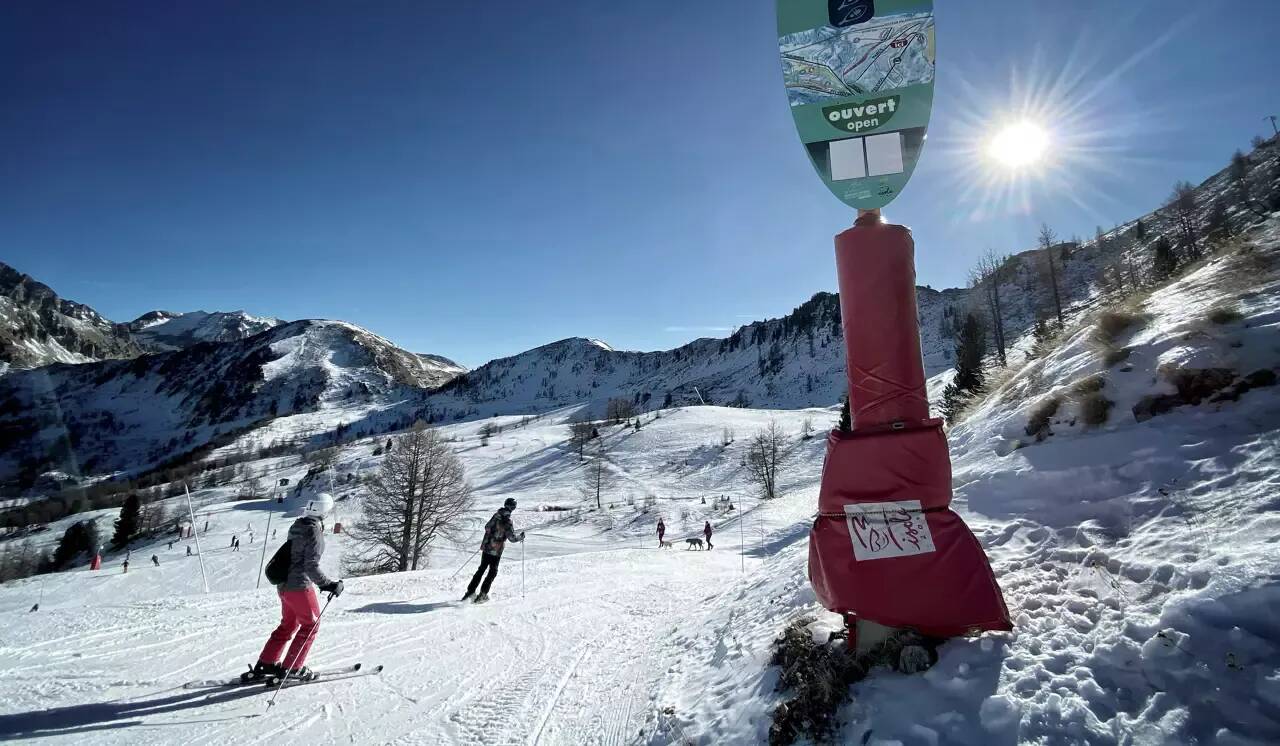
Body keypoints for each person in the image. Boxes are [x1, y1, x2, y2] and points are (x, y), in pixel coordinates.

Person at [248, 493, 343, 682]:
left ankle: (267, 662)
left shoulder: (298, 525)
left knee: (289, 624)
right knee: (311, 625)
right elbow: (310, 565)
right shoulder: (314, 531)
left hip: (284, 585)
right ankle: (293, 668)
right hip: (299, 587)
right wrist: (328, 584)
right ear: (324, 511)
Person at [462, 498, 525, 603]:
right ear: (513, 508)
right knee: (492, 572)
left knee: (481, 569)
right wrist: (520, 537)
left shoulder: (496, 516)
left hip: (487, 547)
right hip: (497, 551)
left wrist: (488, 539)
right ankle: (482, 595)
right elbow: (512, 538)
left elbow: (487, 527)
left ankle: (470, 592)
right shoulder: (508, 522)